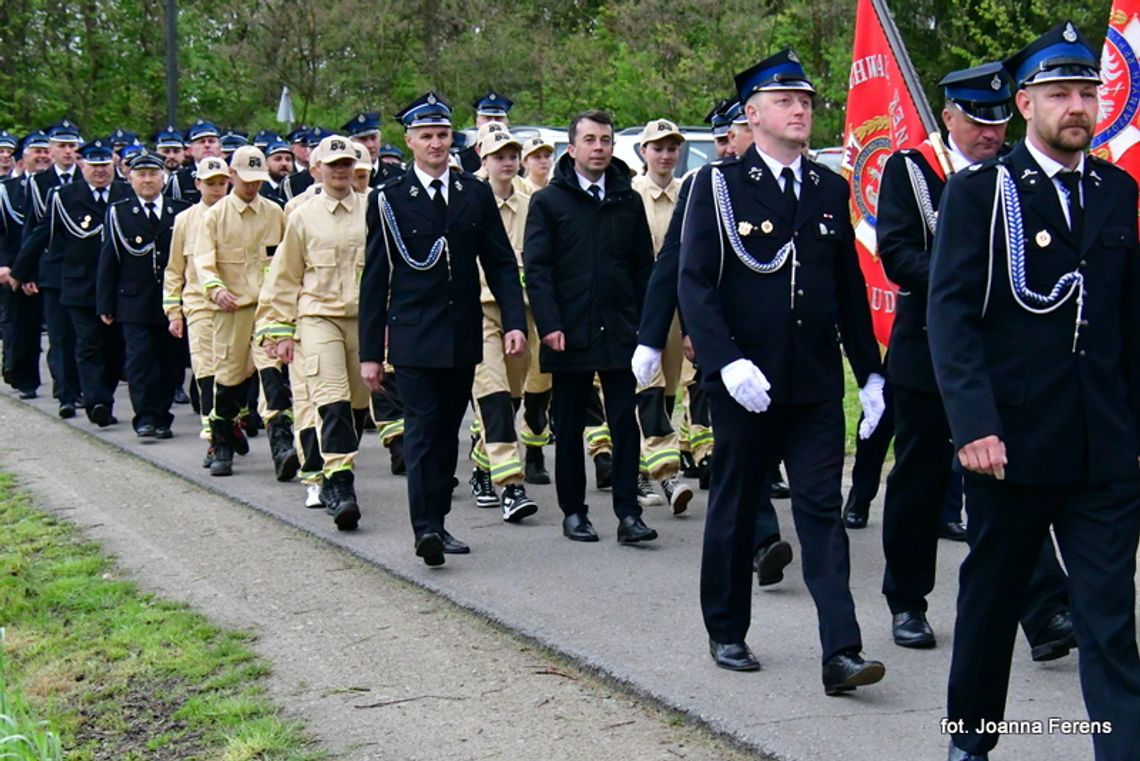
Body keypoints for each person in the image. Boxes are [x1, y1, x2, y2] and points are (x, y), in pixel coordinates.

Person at [929, 23, 1140, 761]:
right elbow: (950, 317)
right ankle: (973, 742)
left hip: (1105, 446)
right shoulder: (981, 192)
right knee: (991, 603)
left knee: (1109, 619)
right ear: (1025, 103)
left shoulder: (1118, 191)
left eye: (1087, 92)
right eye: (1059, 93)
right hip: (1009, 445)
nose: (1076, 106)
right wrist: (973, 424)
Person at [679, 50, 887, 693]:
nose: (801, 110)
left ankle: (841, 653)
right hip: (746, 382)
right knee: (738, 507)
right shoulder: (716, 186)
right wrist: (725, 360)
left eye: (806, 100)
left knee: (821, 510)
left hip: (814, 382)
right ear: (753, 114)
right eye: (785, 101)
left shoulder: (827, 187)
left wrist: (871, 373)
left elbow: (847, 287)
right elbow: (694, 283)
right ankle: (726, 629)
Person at [876, 62, 1075, 658]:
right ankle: (907, 601)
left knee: (1007, 478)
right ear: (948, 117)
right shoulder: (913, 171)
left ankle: (1044, 614)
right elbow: (897, 252)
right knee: (921, 479)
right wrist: (963, 282)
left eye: (997, 121)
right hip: (927, 353)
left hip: (1001, 360)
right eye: (976, 121)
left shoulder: (1017, 179)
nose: (990, 133)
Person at [360, 92, 526, 566]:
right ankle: (425, 529)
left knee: (448, 431)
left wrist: (514, 322)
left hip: (461, 333)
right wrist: (370, 352)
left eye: (443, 135)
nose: (436, 143)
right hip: (412, 336)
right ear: (410, 141)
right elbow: (375, 278)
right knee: (422, 431)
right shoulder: (389, 198)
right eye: (427, 136)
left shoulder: (473, 192)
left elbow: (498, 262)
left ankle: (440, 519)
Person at [524, 109, 657, 545]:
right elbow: (538, 270)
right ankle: (574, 512)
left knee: (624, 424)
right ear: (573, 147)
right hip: (569, 333)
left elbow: (643, 268)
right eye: (590, 140)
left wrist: (645, 325)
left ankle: (628, 513)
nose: (599, 148)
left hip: (621, 330)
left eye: (605, 140)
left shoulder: (628, 199)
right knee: (569, 424)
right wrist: (550, 324)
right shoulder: (549, 201)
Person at [258, 134, 370, 531]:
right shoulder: (303, 216)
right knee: (332, 400)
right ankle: (340, 484)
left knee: (357, 406)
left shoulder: (372, 211)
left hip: (362, 320)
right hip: (317, 317)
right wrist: (280, 329)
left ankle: (336, 464)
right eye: (333, 164)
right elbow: (284, 276)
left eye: (347, 164)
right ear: (317, 169)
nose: (341, 171)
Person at [196, 145, 293, 479]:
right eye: (246, 180)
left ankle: (282, 446)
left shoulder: (275, 213)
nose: (252, 187)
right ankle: (221, 444)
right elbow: (203, 261)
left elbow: (286, 261)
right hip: (232, 309)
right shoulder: (215, 217)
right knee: (229, 378)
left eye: (257, 181)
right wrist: (215, 289)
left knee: (274, 375)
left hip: (268, 311)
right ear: (232, 176)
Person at [27, 139, 129, 426]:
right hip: (80, 284)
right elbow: (40, 234)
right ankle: (97, 401)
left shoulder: (125, 193)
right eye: (94, 166)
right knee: (87, 344)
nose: (99, 171)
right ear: (83, 166)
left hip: (116, 286)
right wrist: (22, 271)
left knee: (113, 348)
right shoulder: (66, 196)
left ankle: (103, 392)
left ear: (113, 165)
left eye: (104, 165)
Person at [467, 129, 540, 521]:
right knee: (492, 393)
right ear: (483, 156)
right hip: (477, 310)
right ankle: (511, 484)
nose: (507, 161)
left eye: (512, 154)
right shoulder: (469, 200)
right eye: (499, 155)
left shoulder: (532, 205)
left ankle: (482, 464)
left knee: (512, 397)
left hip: (519, 313)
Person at [96, 152, 190, 436]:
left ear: (164, 178)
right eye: (141, 175)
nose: (147, 180)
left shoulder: (181, 211)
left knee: (170, 363)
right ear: (130, 178)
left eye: (153, 174)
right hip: (133, 300)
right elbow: (109, 259)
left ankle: (163, 415)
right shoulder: (119, 212)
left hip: (172, 301)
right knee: (140, 362)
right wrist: (105, 302)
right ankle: (146, 417)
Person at [629, 118, 693, 514]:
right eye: (658, 148)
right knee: (647, 388)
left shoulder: (689, 194)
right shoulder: (632, 194)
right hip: (640, 307)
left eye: (672, 148)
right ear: (643, 152)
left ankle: (636, 467)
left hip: (677, 307)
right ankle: (668, 474)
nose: (666, 155)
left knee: (667, 391)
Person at [11, 119, 82, 418]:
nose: (67, 152)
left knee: (86, 336)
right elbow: (34, 230)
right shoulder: (38, 183)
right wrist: (26, 272)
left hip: (84, 269)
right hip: (52, 268)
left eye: (71, 146)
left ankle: (85, 390)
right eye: (61, 146)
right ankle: (66, 392)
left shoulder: (90, 176)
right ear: (51, 150)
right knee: (61, 334)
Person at [164, 156, 231, 458]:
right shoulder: (185, 220)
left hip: (235, 306)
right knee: (206, 368)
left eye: (221, 183)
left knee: (233, 372)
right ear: (197, 184)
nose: (217, 189)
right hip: (199, 305)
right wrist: (173, 311)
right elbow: (174, 269)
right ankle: (214, 437)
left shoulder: (238, 215)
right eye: (210, 183)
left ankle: (230, 423)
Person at [0, 132, 51, 399]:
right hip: (16, 268)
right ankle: (24, 376)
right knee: (22, 328)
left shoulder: (58, 188)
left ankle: (69, 386)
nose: (42, 156)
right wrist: (6, 266)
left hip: (53, 267)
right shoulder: (6, 191)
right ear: (22, 158)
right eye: (36, 151)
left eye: (46, 150)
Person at [165, 120, 222, 204]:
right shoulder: (179, 178)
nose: (207, 145)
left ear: (220, 147)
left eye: (211, 141)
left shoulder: (230, 175)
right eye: (201, 142)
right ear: (190, 150)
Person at [459, 91, 512, 172]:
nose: (493, 123)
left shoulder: (517, 157)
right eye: (487, 118)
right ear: (477, 122)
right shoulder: (461, 159)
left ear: (507, 123)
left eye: (498, 118)